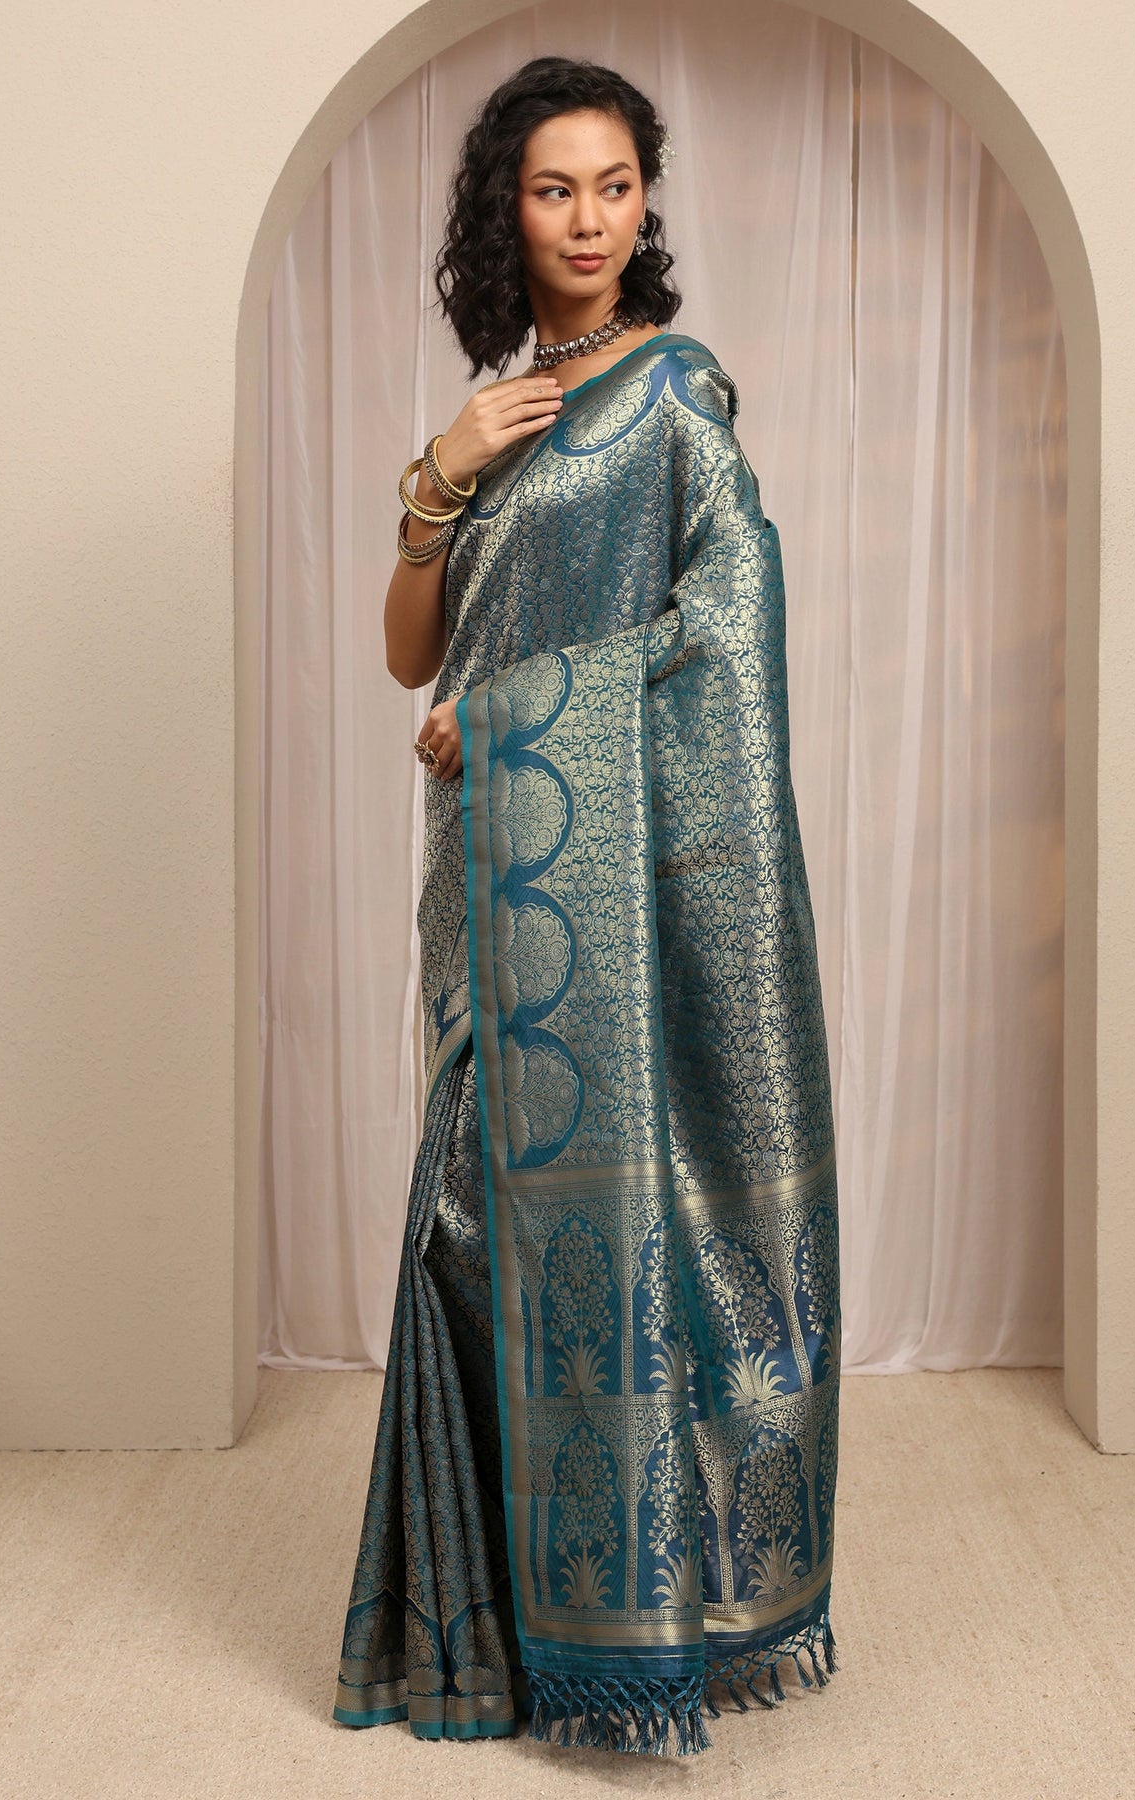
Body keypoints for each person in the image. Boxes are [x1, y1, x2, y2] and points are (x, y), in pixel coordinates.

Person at [332, 54, 841, 1758]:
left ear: (645, 203)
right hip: (482, 863)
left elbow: (728, 629)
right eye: (556, 189)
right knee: (478, 1208)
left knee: (593, 1226)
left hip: (609, 874)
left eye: (616, 186)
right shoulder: (502, 405)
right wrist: (436, 471)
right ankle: (492, 1622)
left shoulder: (672, 392)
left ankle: (629, 1626)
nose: (590, 219)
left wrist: (512, 714)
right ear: (509, 209)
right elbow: (409, 649)